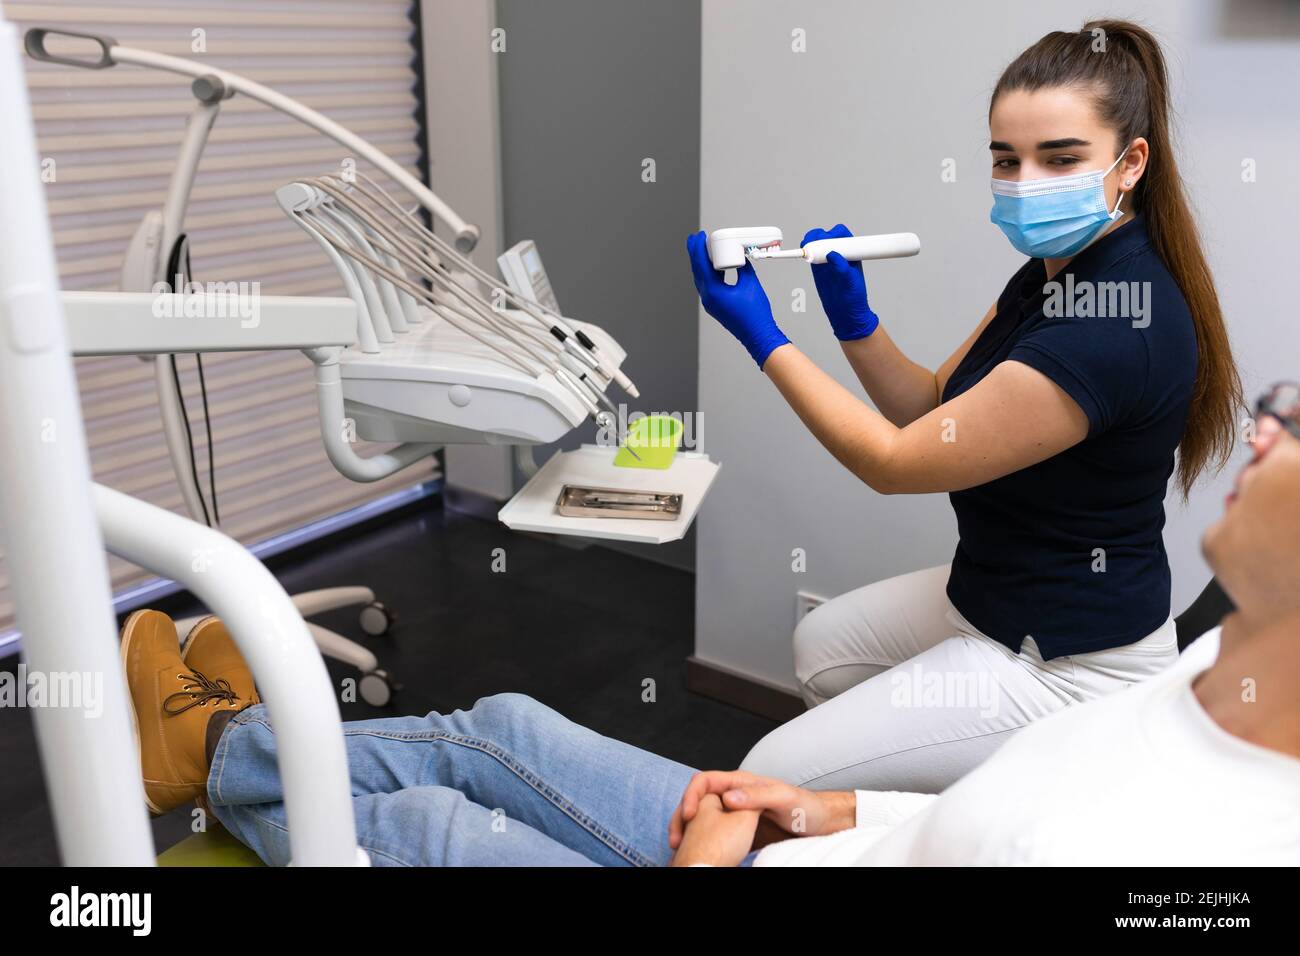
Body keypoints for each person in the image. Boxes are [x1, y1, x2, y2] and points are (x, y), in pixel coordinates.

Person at [122, 382, 1300, 865]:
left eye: (1294, 424)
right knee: (501, 722)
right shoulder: (1207, 659)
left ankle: (222, 759)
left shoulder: (1219, 847)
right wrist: (840, 808)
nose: (1258, 432)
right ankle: (223, 752)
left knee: (427, 817)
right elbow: (1009, 805)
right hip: (803, 850)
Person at [686, 19, 1242, 792]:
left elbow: (893, 462)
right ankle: (911, 818)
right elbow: (931, 407)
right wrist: (855, 321)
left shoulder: (1114, 323)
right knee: (821, 645)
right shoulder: (1051, 271)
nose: (1025, 182)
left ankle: (926, 817)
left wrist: (763, 335)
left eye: (1060, 158)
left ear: (1130, 163)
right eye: (1005, 159)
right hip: (991, 593)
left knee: (767, 773)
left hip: (1066, 661)